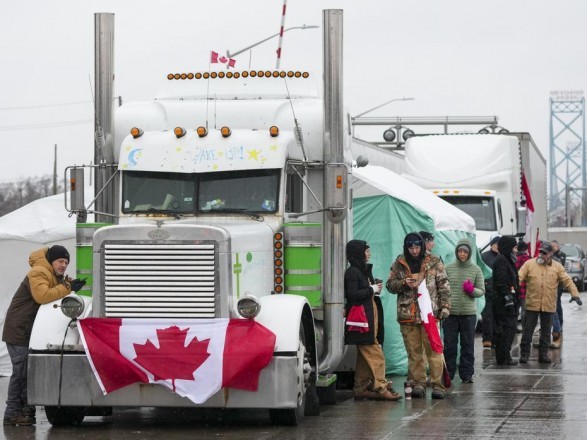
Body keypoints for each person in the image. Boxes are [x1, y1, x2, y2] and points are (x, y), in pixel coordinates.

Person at [2, 246, 86, 426]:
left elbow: (57, 288)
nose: (63, 265)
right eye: (60, 261)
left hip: (28, 330)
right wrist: (68, 287)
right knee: (21, 373)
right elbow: (42, 295)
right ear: (51, 260)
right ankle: (11, 414)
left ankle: (26, 413)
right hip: (19, 329)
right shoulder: (39, 271)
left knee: (27, 373)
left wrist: (70, 284)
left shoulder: (52, 274)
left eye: (66, 262)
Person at [387, 232, 451, 399]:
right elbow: (390, 285)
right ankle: (419, 383)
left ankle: (438, 385)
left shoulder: (434, 261)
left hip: (430, 313)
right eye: (411, 247)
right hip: (408, 314)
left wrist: (445, 306)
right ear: (406, 248)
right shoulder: (399, 263)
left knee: (434, 351)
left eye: (417, 247)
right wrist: (403, 283)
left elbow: (443, 285)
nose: (414, 251)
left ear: (422, 246)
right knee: (414, 352)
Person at [344, 240, 401, 401]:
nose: (369, 254)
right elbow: (353, 294)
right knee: (376, 354)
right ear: (358, 253)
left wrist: (373, 288)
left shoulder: (361, 271)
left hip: (368, 317)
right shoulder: (352, 272)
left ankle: (361, 387)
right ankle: (381, 387)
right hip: (361, 322)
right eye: (366, 251)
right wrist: (371, 289)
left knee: (364, 356)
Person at [518, 241, 581, 364]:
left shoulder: (557, 267)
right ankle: (524, 354)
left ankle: (543, 355)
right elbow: (519, 277)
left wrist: (575, 294)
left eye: (545, 253)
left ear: (551, 254)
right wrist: (512, 290)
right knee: (528, 331)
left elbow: (567, 281)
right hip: (532, 304)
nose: (541, 254)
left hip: (549, 304)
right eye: (540, 252)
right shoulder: (529, 264)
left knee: (546, 332)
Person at [443, 238, 485, 383]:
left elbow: (481, 290)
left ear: (469, 253)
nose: (462, 254)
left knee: (467, 345)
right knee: (449, 345)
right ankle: (448, 374)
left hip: (468, 314)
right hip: (450, 314)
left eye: (465, 252)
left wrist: (472, 290)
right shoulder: (448, 268)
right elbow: (442, 288)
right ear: (456, 252)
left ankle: (467, 374)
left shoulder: (475, 269)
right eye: (460, 251)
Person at [492, 236, 520, 365]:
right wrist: (508, 298)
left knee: (509, 329)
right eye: (514, 247)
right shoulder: (502, 260)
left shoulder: (507, 259)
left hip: (508, 302)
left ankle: (504, 355)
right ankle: (503, 356)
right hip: (504, 304)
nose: (516, 250)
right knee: (507, 330)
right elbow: (501, 281)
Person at [480, 236, 500, 348]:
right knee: (487, 316)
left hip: (498, 291)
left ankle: (495, 338)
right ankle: (487, 338)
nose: (497, 246)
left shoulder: (503, 257)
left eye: (498, 244)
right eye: (495, 244)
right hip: (487, 290)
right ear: (491, 245)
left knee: (497, 316)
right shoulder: (484, 257)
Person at [549, 240, 566, 349]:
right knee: (555, 308)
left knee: (556, 308)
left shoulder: (559, 257)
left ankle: (558, 329)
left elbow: (562, 274)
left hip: (557, 287)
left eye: (554, 246)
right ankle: (556, 329)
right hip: (551, 288)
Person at [515, 240, 531, 332]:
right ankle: (525, 327)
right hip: (526, 288)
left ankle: (514, 326)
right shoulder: (528, 259)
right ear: (526, 249)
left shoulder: (514, 258)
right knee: (525, 310)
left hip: (516, 287)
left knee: (516, 309)